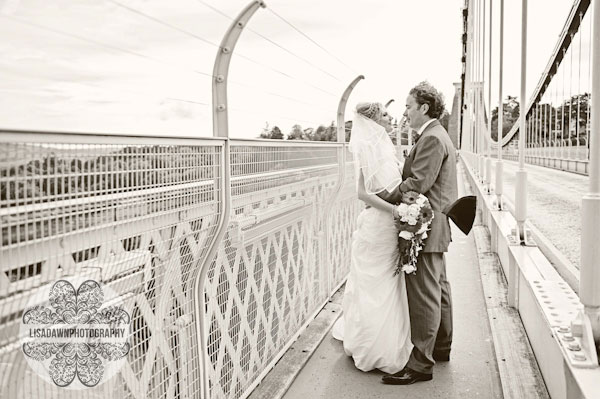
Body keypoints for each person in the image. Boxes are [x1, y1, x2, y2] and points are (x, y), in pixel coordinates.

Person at [381, 81, 458, 385]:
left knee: (424, 295)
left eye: (409, 106)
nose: (405, 112)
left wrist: (384, 196)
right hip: (437, 224)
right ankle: (441, 347)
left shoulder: (431, 138)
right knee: (438, 289)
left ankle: (420, 365)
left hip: (424, 227)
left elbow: (417, 183)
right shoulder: (438, 135)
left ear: (424, 108)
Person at [331, 102, 413, 374]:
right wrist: (397, 212)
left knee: (389, 281)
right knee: (372, 282)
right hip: (379, 224)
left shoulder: (386, 147)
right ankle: (371, 346)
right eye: (386, 114)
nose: (391, 118)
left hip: (389, 226)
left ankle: (387, 341)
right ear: (375, 119)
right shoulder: (367, 148)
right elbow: (363, 193)